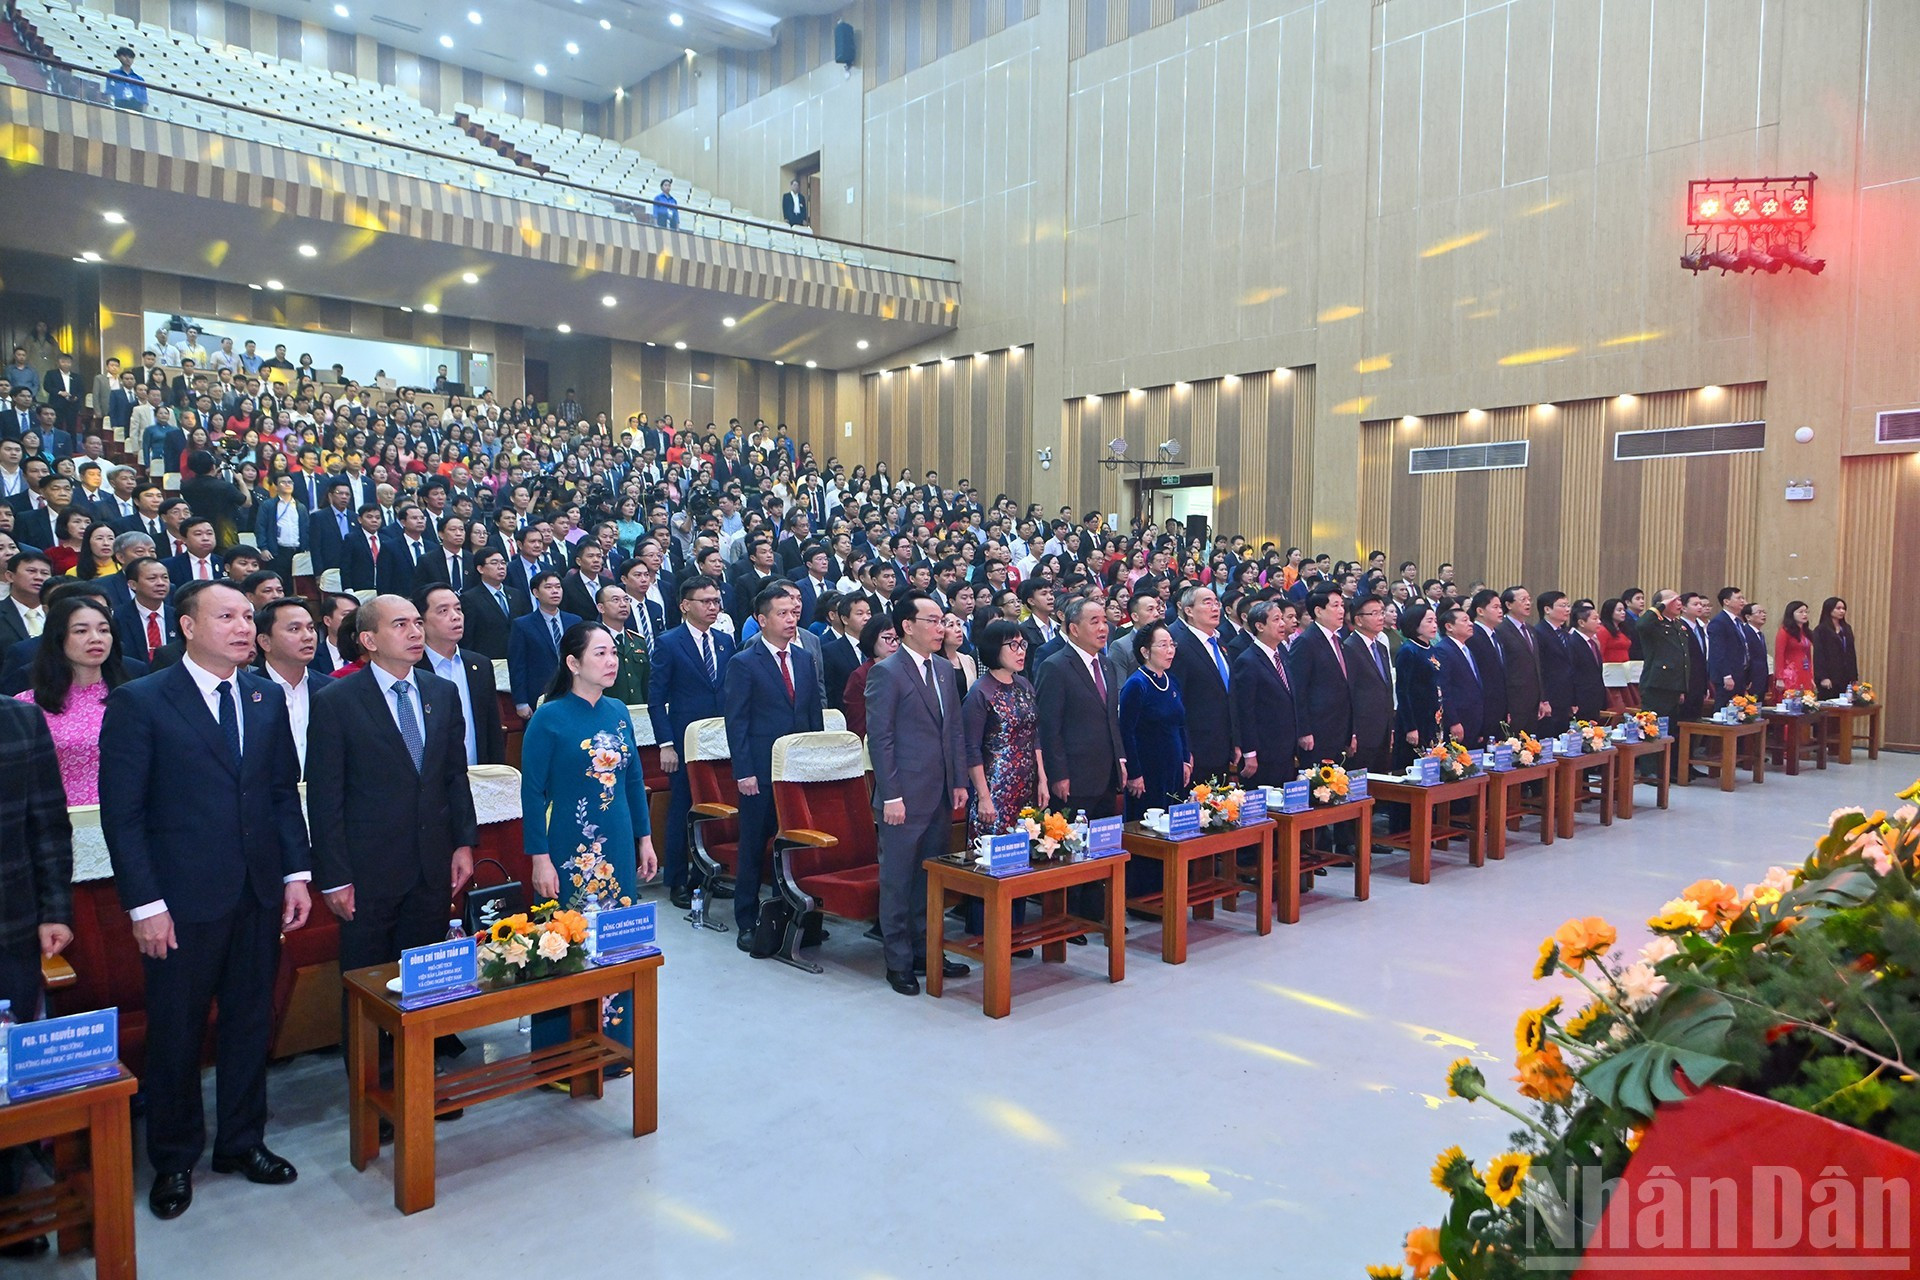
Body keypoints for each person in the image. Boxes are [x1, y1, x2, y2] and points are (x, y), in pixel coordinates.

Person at [98, 579, 311, 1221]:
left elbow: (278, 792)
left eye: (249, 616)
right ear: (187, 627)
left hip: (256, 890)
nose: (244, 626)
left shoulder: (263, 694)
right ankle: (172, 1158)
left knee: (250, 1020)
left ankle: (242, 1142)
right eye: (227, 616)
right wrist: (145, 905)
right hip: (180, 900)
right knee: (177, 1031)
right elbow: (124, 815)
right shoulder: (142, 701)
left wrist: (295, 873)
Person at [306, 595, 476, 1083]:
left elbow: (453, 777)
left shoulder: (439, 693)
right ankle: (372, 1090)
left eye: (418, 623)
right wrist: (334, 876)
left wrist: (462, 843)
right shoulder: (336, 701)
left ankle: (418, 1081)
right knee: (368, 984)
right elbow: (326, 797)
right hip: (367, 870)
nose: (415, 632)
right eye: (400, 624)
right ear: (368, 640)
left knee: (422, 979)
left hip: (430, 864)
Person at [519, 622, 658, 1057]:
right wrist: (539, 857)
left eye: (613, 652)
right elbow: (531, 791)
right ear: (573, 663)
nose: (611, 661)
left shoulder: (618, 711)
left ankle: (614, 1049)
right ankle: (559, 1052)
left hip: (617, 843)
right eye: (600, 654)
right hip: (570, 845)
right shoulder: (549, 717)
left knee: (617, 941)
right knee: (565, 941)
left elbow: (633, 780)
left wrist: (645, 838)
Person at [865, 590, 969, 995]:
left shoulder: (944, 669)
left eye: (943, 620)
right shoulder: (887, 672)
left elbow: (954, 729)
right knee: (898, 880)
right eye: (933, 620)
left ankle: (929, 952)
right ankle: (898, 962)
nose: (941, 628)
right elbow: (882, 739)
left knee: (931, 880)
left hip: (940, 792)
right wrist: (890, 794)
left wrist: (958, 780)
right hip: (903, 797)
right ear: (907, 626)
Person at [0, 693, 74, 1258]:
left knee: (6, 1067)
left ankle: (6, 1200)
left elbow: (46, 822)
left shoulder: (18, 719)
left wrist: (54, 909)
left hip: (12, 923)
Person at [723, 585, 824, 944]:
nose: (790, 619)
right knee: (753, 846)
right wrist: (744, 771)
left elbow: (813, 718)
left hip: (798, 772)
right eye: (782, 613)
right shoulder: (744, 662)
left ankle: (800, 917)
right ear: (761, 619)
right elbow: (736, 722)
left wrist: (815, 766)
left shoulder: (804, 659)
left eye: (794, 613)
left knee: (798, 845)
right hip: (761, 772)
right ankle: (748, 921)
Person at [14, 594, 130, 803]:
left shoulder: (132, 698)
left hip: (122, 815)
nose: (96, 638)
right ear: (58, 638)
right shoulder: (27, 705)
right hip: (56, 820)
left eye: (104, 630)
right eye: (81, 631)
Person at [1033, 596, 1125, 820]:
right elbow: (1048, 727)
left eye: (1105, 621)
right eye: (1094, 622)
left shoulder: (1107, 664)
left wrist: (1120, 758)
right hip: (1073, 779)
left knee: (1105, 848)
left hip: (1107, 776)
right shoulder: (1054, 666)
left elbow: (1111, 718)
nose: (1103, 628)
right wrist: (1058, 775)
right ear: (1074, 628)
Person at [416, 583, 506, 765]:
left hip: (477, 774)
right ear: (421, 622)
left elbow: (492, 729)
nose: (456, 616)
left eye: (458, 609)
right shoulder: (413, 668)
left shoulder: (479, 665)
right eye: (443, 611)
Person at [1119, 618, 1191, 821]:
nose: (1170, 650)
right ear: (1145, 651)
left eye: (1172, 644)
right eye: (1163, 645)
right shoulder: (1136, 685)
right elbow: (1126, 731)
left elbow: (1181, 723)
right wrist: (1134, 773)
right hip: (1147, 770)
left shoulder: (1172, 680)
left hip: (1173, 766)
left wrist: (1185, 759)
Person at [1166, 585, 1236, 781]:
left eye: (1216, 602)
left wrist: (1235, 741)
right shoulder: (1179, 645)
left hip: (1222, 746)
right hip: (1196, 750)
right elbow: (1177, 703)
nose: (1215, 608)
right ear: (1188, 611)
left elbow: (1229, 695)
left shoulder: (1220, 644)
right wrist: (1184, 751)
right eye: (1207, 603)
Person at [1231, 599, 1298, 788]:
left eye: (1282, 619)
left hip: (1285, 748)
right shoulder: (1248, 660)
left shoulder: (1282, 654)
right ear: (1260, 626)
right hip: (1263, 751)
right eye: (1276, 619)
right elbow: (1245, 710)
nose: (1283, 624)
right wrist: (1250, 752)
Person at [254, 598, 317, 772]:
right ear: (265, 642)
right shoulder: (246, 692)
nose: (308, 636)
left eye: (311, 628)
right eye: (295, 629)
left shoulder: (331, 690)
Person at [508, 570, 581, 717]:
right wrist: (521, 702)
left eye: (558, 587)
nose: (555, 591)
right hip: (539, 694)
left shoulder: (575, 621)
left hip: (574, 690)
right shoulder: (522, 625)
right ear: (536, 592)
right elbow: (517, 666)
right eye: (548, 587)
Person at [459, 546, 528, 661]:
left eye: (503, 563)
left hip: (518, 658)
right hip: (488, 660)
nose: (501, 567)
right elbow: (468, 638)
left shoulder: (516, 595)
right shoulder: (470, 598)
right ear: (480, 569)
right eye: (494, 563)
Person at [1433, 607, 1484, 745]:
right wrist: (1453, 721)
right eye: (1465, 620)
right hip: (1459, 718)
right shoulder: (1442, 650)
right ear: (1449, 626)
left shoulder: (1466, 649)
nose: (1471, 623)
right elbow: (1444, 689)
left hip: (1473, 717)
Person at [841, 612, 897, 737]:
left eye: (897, 639)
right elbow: (857, 726)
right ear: (872, 639)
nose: (894, 644)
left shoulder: (904, 670)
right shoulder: (860, 676)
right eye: (888, 638)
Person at [1567, 601, 1611, 724]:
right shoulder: (1572, 642)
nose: (1599, 622)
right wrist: (1572, 701)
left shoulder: (1592, 642)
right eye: (1595, 619)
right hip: (1580, 700)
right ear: (1581, 622)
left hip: (1594, 699)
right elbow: (1571, 674)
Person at [1811, 596, 1857, 695]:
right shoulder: (1821, 629)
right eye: (1838, 608)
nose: (1842, 611)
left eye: (1843, 609)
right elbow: (1819, 655)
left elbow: (1851, 653)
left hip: (1845, 675)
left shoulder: (1846, 628)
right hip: (1829, 675)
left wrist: (1854, 676)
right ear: (1829, 609)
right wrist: (1823, 677)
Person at [1773, 600, 1814, 697]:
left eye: (1806, 612)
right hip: (1790, 672)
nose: (1804, 614)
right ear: (1791, 614)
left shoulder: (1806, 632)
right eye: (1801, 612)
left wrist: (1811, 676)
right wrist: (1780, 677)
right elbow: (1779, 654)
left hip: (1804, 670)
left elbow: (1808, 655)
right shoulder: (1784, 632)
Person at [105, 45, 149, 111]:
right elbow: (109, 92)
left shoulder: (139, 79)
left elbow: (144, 100)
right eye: (125, 56)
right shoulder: (113, 73)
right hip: (119, 105)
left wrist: (142, 115)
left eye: (131, 57)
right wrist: (111, 109)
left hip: (135, 107)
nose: (128, 59)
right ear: (119, 57)